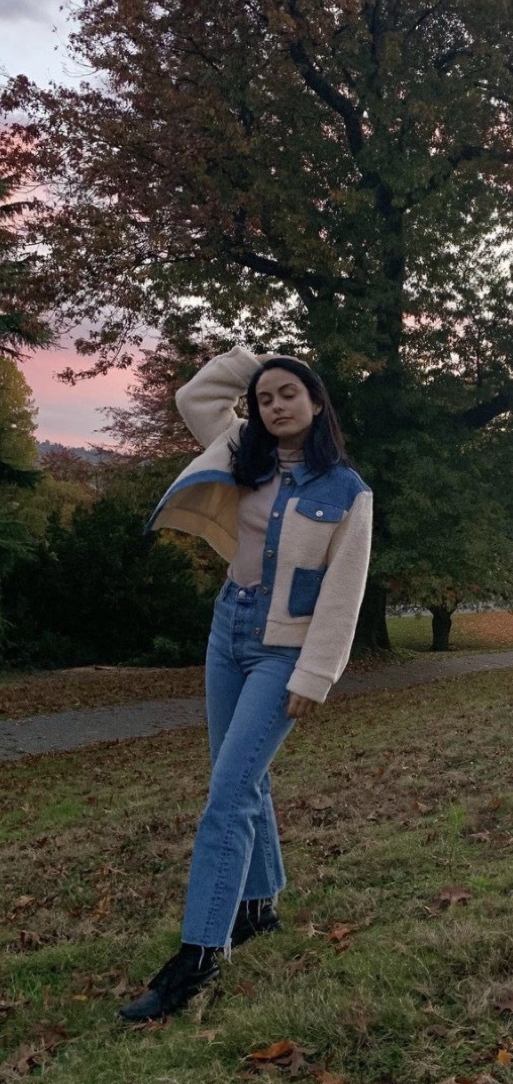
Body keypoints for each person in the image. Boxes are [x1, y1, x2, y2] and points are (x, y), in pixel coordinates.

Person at [119, 346, 372, 1021]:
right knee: (237, 776)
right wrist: (255, 362)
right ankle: (258, 907)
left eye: (289, 392)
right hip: (226, 632)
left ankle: (198, 956)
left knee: (227, 794)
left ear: (317, 403)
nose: (275, 405)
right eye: (264, 397)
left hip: (282, 653)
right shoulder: (240, 450)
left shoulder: (347, 491)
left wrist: (315, 674)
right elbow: (194, 399)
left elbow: (344, 595)